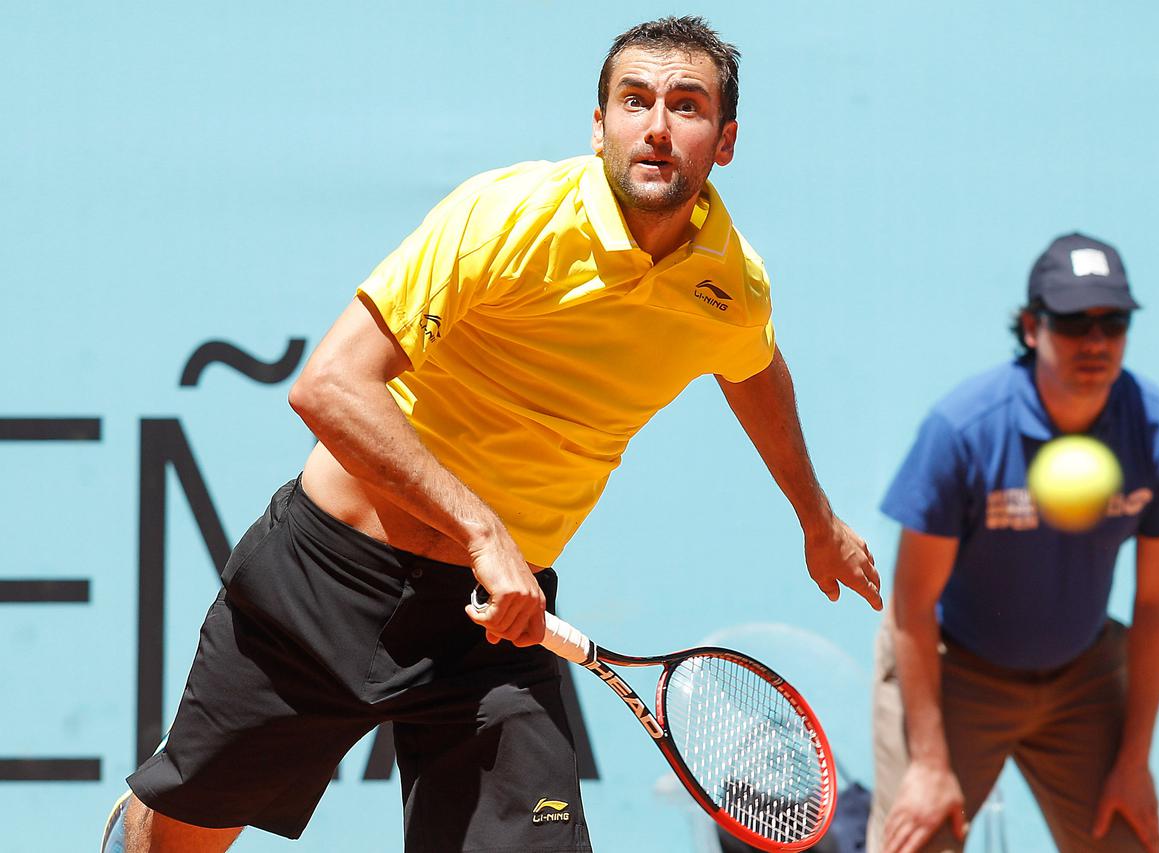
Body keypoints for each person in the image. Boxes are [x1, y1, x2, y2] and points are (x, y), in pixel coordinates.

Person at [101, 16, 882, 853]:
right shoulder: (506, 216)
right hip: (325, 579)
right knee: (176, 840)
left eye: (686, 106)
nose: (656, 126)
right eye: (634, 100)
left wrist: (815, 516)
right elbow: (328, 386)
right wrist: (482, 530)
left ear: (723, 141)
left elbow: (754, 368)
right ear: (599, 124)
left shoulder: (729, 282)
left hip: (492, 629)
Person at [869, 233, 1159, 853]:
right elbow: (913, 604)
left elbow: (1156, 606)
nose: (1096, 341)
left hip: (1083, 675)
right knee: (916, 841)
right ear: (1032, 326)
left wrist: (1134, 763)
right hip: (956, 667)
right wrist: (927, 762)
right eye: (1074, 322)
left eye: (1114, 322)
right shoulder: (963, 431)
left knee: (1129, 839)